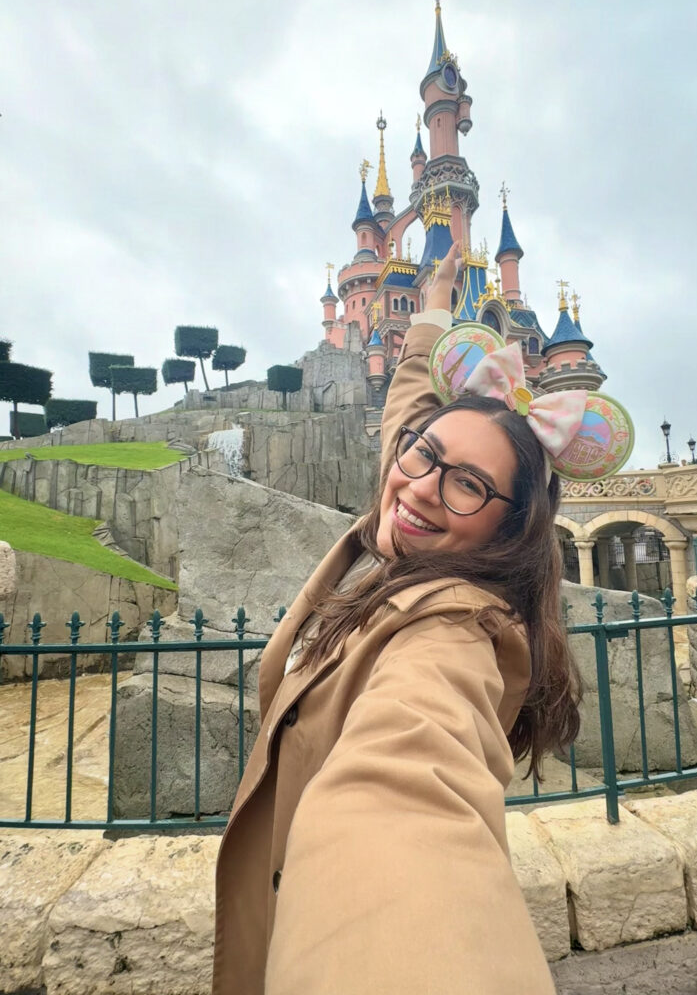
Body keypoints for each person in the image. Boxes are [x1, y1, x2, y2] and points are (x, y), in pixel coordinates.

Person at [213, 241, 580, 995]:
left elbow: (410, 783)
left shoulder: (454, 631)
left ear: (511, 529)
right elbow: (412, 408)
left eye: (469, 484)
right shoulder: (419, 508)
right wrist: (435, 299)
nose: (418, 487)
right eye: (423, 456)